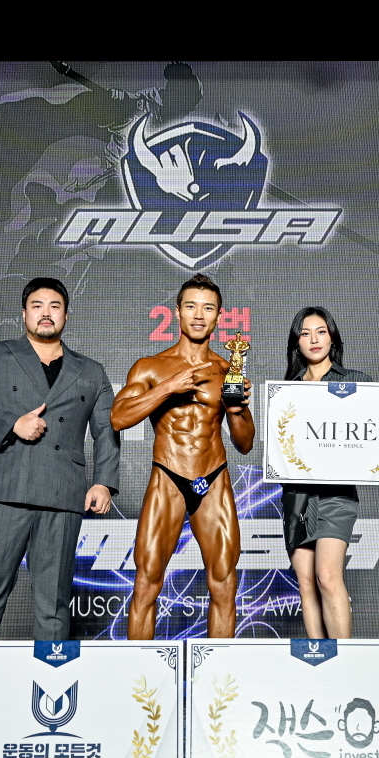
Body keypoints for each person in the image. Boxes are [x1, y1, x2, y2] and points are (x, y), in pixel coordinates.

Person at [0, 277, 120, 640]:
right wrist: (12, 423)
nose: (46, 313)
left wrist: (104, 482)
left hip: (62, 494)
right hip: (4, 490)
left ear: (66, 315)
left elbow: (107, 429)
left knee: (54, 601)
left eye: (55, 306)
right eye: (37, 305)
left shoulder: (91, 370)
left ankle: (52, 675)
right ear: (24, 313)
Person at [111, 274, 255, 639]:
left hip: (213, 476)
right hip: (169, 476)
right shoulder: (150, 366)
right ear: (177, 312)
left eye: (208, 308)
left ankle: (218, 672)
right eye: (191, 306)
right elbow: (118, 417)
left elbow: (245, 443)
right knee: (147, 582)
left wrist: (236, 410)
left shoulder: (227, 370)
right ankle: (139, 670)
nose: (199, 315)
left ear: (219, 316)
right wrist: (168, 388)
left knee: (224, 583)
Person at [281, 307, 379, 639]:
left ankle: (345, 659)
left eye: (321, 331)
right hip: (296, 497)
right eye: (305, 333)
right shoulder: (287, 390)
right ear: (296, 342)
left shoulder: (354, 382)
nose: (314, 339)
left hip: (337, 497)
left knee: (327, 576)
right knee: (306, 582)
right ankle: (319, 656)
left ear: (332, 338)